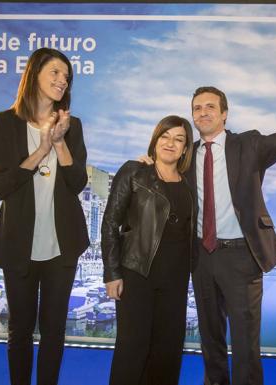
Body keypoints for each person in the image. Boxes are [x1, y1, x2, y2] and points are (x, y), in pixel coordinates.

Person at [188, 41, 276, 385]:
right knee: (209, 339)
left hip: (242, 255)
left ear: (225, 114)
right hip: (200, 257)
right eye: (197, 108)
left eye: (211, 106)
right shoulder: (185, 154)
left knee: (245, 343)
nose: (203, 112)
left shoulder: (249, 145)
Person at [0, 47, 89, 385]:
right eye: (55, 72)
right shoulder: (3, 123)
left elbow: (77, 184)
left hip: (62, 246)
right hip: (18, 245)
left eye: (66, 76)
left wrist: (59, 143)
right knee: (20, 330)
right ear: (34, 74)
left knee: (54, 331)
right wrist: (41, 150)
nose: (62, 80)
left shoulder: (73, 127)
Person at [101, 115, 195, 385]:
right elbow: (110, 223)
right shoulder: (134, 171)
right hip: (136, 274)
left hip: (175, 280)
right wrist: (111, 272)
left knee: (167, 352)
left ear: (185, 148)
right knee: (133, 350)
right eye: (165, 136)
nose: (171, 143)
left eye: (179, 139)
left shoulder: (189, 183)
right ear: (155, 141)